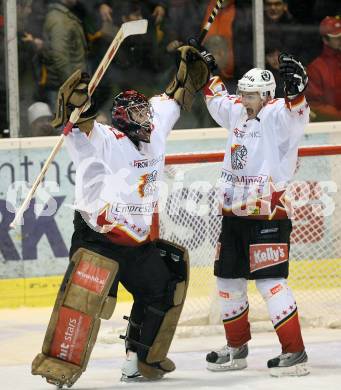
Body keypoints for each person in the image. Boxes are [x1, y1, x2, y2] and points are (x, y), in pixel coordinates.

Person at [31, 45, 210, 387]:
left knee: (163, 287)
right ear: (126, 122)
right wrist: (77, 106)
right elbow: (80, 127)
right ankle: (60, 366)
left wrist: (187, 70)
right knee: (83, 300)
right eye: (140, 117)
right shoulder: (104, 141)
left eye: (147, 114)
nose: (148, 121)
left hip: (137, 242)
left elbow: (174, 96)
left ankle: (140, 360)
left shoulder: (153, 128)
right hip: (98, 238)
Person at [201, 49, 310, 376]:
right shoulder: (237, 111)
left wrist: (297, 92)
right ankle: (236, 348)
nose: (244, 99)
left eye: (251, 95)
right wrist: (208, 71)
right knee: (226, 281)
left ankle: (295, 353)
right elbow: (217, 99)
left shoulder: (278, 114)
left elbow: (297, 116)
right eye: (242, 93)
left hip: (268, 217)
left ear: (267, 96)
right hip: (233, 216)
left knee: (271, 283)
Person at [306, 16, 341, 121]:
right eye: (337, 37)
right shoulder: (315, 68)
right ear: (325, 40)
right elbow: (314, 104)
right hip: (330, 128)